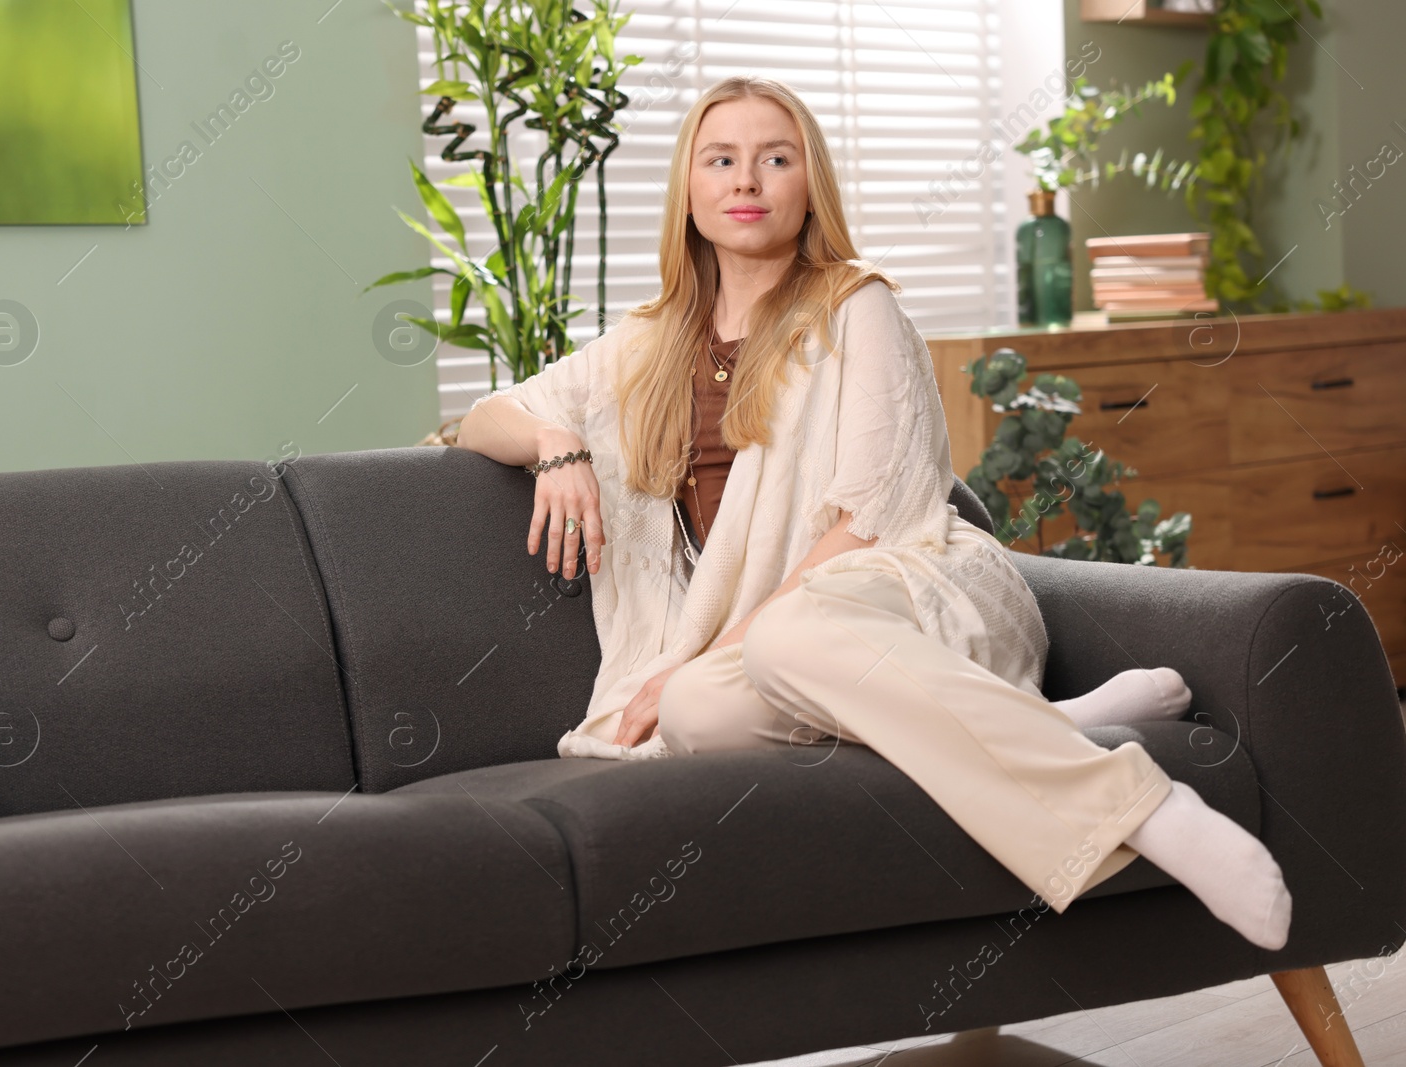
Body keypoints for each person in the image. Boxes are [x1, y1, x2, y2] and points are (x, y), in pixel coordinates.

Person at [454, 76, 1291, 951]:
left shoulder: (858, 306)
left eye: (775, 159)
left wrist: (734, 642)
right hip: (785, 652)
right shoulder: (650, 342)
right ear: (688, 189)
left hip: (911, 589)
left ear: (808, 183)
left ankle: (1145, 805)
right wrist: (557, 442)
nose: (747, 180)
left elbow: (876, 515)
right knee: (698, 711)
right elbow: (481, 419)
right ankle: (1048, 725)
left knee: (769, 648)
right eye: (722, 160)